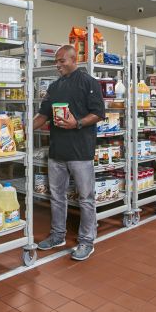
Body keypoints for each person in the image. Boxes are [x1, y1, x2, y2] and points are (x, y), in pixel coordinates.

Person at [33, 45, 105, 261]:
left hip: (80, 152)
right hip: (57, 152)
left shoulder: (89, 83)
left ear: (74, 60)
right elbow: (43, 115)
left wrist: (77, 123)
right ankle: (58, 235)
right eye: (56, 61)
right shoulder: (54, 87)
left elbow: (98, 113)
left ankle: (86, 241)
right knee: (56, 197)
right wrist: (22, 130)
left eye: (61, 61)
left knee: (86, 198)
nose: (58, 65)